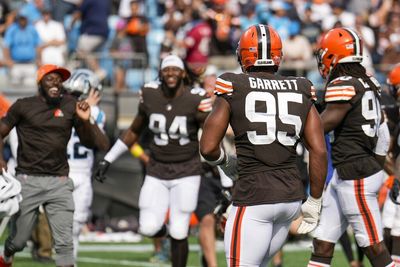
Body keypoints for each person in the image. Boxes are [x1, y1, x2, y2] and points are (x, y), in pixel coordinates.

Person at [199, 24, 327, 267]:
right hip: (290, 201)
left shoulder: (233, 83)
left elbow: (207, 147)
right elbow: (319, 150)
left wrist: (227, 163)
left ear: (243, 54)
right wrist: (315, 201)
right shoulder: (300, 87)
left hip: (254, 196)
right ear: (278, 55)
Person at [93, 54, 212, 267]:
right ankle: (168, 235)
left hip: (187, 171)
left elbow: (212, 135)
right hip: (157, 169)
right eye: (166, 70)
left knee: (180, 229)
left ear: (183, 73)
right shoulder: (150, 94)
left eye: (175, 69)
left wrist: (224, 172)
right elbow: (133, 131)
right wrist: (108, 159)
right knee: (147, 227)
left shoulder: (196, 98)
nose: (171, 74)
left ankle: (176, 245)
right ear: (160, 73)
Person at [0, 64, 105, 267]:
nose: (56, 82)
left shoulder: (70, 104)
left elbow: (96, 143)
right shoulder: (23, 105)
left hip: (60, 181)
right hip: (28, 179)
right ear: (40, 82)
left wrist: (86, 121)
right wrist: (1, 160)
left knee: (65, 244)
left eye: (60, 79)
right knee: (19, 240)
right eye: (51, 78)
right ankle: (7, 253)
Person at [307, 27, 394, 267]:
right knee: (323, 242)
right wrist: (374, 167)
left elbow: (323, 125)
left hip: (355, 175)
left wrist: (292, 127)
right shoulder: (369, 82)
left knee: (373, 246)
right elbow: (383, 135)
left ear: (333, 56)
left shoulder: (343, 83)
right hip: (350, 173)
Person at [63, 68, 110, 261]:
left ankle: (68, 262)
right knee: (66, 223)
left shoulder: (96, 113)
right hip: (65, 170)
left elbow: (100, 141)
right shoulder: (62, 108)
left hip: (79, 171)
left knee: (76, 222)